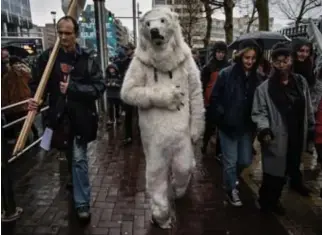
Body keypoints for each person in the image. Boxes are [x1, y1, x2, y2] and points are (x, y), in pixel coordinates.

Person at [28, 16, 105, 221]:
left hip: (81, 118)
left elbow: (99, 86)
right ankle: (73, 179)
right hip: (59, 118)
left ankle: (82, 204)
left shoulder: (87, 58)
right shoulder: (47, 58)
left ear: (76, 34)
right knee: (68, 154)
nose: (63, 37)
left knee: (79, 158)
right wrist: (36, 100)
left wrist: (73, 88)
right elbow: (37, 84)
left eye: (68, 33)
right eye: (60, 32)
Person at [252, 42, 315, 215]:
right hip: (276, 138)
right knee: (273, 175)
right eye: (278, 62)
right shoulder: (264, 89)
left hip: (296, 136)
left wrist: (310, 127)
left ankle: (275, 199)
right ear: (272, 63)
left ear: (291, 60)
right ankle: (266, 202)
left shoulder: (300, 82)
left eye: (285, 60)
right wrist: (264, 129)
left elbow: (308, 106)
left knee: (289, 170)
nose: (282, 65)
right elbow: (259, 112)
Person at [209, 39, 263, 206]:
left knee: (245, 160)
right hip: (229, 126)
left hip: (246, 127)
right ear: (241, 56)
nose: (250, 61)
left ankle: (232, 178)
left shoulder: (258, 77)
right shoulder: (226, 74)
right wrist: (222, 118)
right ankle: (231, 188)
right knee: (230, 161)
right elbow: (215, 98)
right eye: (247, 57)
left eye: (253, 58)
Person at [201, 41, 230, 159]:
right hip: (210, 101)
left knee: (221, 128)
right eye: (218, 52)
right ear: (215, 53)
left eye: (223, 52)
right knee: (209, 126)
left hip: (223, 100)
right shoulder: (208, 67)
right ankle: (205, 143)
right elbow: (203, 85)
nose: (220, 55)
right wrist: (204, 101)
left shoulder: (228, 67)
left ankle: (219, 151)